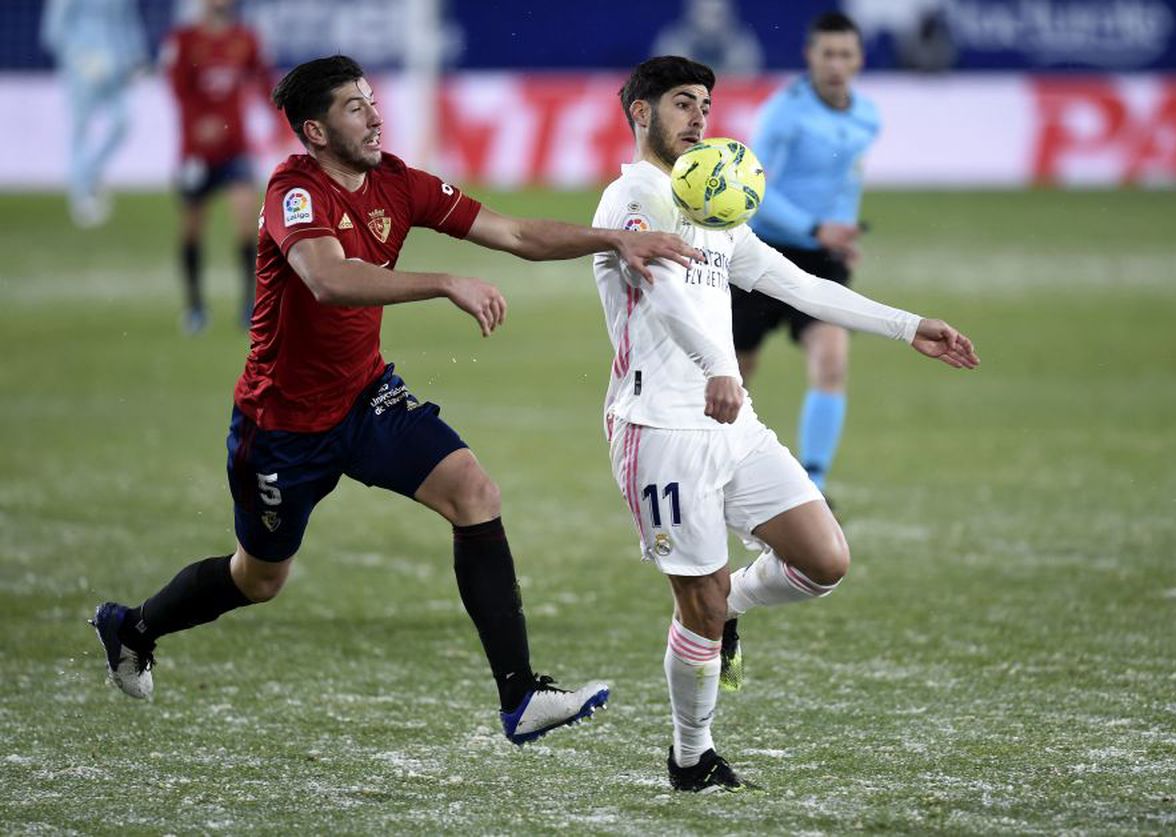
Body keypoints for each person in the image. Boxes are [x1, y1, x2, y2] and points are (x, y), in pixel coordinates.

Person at [91, 55, 701, 746]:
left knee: (474, 492)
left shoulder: (398, 182)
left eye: (373, 99)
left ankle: (521, 697)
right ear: (316, 132)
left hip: (365, 398)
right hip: (282, 427)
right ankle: (133, 626)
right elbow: (326, 278)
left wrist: (615, 238)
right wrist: (444, 281)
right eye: (356, 106)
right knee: (259, 578)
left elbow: (514, 233)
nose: (376, 114)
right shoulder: (292, 190)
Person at [592, 55, 978, 791]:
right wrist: (717, 365)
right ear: (641, 113)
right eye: (681, 103)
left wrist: (907, 325)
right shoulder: (633, 197)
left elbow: (794, 282)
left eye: (704, 103)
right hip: (660, 428)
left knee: (824, 560)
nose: (699, 117)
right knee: (694, 605)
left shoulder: (712, 202)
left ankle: (731, 603)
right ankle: (690, 756)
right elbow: (663, 296)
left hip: (729, 419)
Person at [734, 12, 877, 502]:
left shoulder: (867, 116)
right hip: (762, 253)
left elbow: (845, 182)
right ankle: (719, 467)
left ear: (859, 59)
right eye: (827, 53)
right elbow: (755, 187)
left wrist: (841, 236)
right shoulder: (783, 112)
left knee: (832, 359)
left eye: (845, 54)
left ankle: (814, 484)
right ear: (810, 57)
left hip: (822, 259)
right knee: (734, 370)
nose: (836, 64)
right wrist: (815, 227)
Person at [161, 0, 275, 333]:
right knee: (192, 229)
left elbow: (264, 81)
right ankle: (195, 307)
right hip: (196, 154)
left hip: (235, 149)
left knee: (247, 223)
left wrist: (281, 116)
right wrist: (200, 124)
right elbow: (178, 90)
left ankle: (249, 307)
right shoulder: (183, 40)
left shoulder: (245, 38)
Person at [39, 0, 148, 228]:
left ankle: (90, 173)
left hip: (116, 67)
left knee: (122, 122)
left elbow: (128, 24)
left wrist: (137, 57)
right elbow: (53, 31)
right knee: (81, 130)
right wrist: (79, 58)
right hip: (83, 68)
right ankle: (81, 196)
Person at [650, 0, 764, 76]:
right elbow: (665, 81)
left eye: (717, 15)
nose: (710, 22)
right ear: (691, 13)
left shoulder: (743, 45)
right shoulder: (672, 43)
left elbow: (747, 83)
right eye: (703, 14)